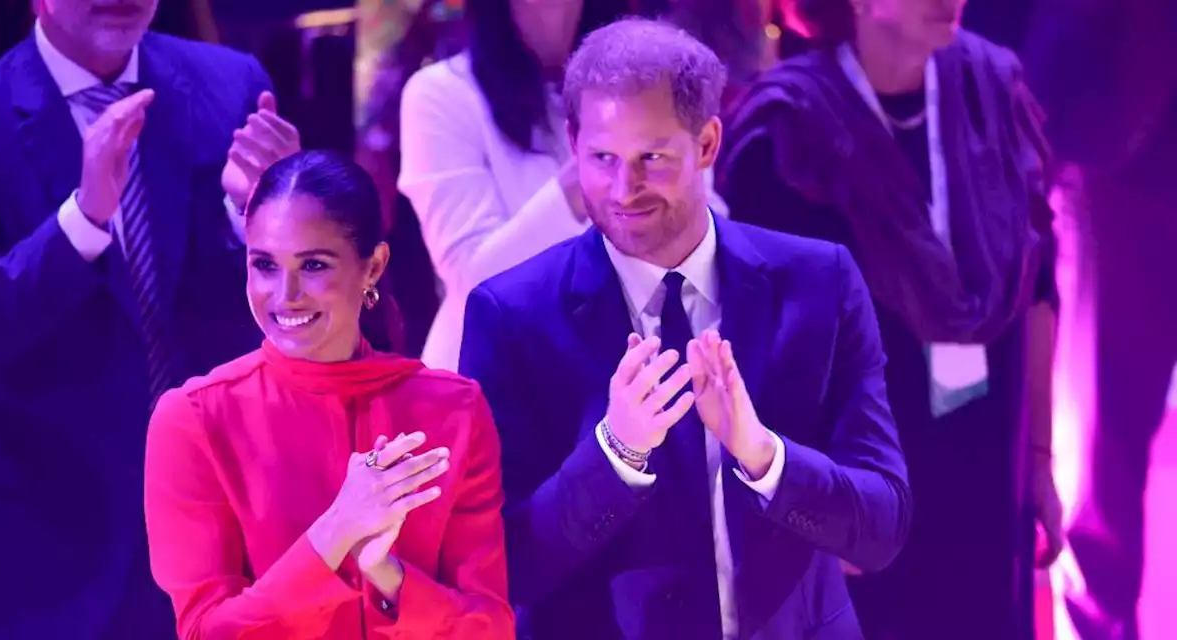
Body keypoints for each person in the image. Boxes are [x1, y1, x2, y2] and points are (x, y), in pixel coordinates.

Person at [460, 18, 910, 639]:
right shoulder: (510, 315)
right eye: (602, 159)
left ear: (706, 144)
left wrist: (765, 457)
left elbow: (882, 526)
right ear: (573, 143)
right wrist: (615, 454)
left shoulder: (819, 282)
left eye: (653, 158)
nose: (624, 189)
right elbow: (502, 568)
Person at [0, 0, 301, 636]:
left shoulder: (232, 85)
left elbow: (271, 317)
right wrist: (83, 219)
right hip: (34, 534)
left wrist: (259, 219)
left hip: (208, 521)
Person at [716, 0, 1063, 637]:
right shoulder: (787, 132)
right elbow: (764, 348)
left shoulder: (994, 89)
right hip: (865, 502)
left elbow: (1040, 286)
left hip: (990, 477)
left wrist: (1038, 458)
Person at [144, 150, 513, 639]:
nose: (285, 294)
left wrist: (387, 574)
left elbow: (490, 629)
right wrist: (336, 530)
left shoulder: (453, 409)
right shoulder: (193, 420)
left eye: (313, 264)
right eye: (265, 265)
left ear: (374, 266)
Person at [398, 0, 664, 372]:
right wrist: (584, 178)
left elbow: (703, 227)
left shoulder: (644, 82)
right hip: (492, 380)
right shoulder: (439, 94)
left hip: (630, 372)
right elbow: (472, 277)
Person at [1024, 2, 1177, 638]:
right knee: (1101, 437)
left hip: (1119, 159)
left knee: (1101, 437)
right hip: (1118, 163)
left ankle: (1097, 623)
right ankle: (1096, 625)